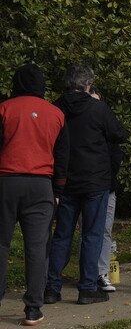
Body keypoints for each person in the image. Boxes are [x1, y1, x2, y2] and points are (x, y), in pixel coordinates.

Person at [46, 63, 127, 306]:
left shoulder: (55, 108)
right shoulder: (98, 108)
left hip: (64, 180)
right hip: (95, 180)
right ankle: (87, 287)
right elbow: (119, 134)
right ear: (88, 84)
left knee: (62, 235)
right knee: (92, 235)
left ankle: (52, 287)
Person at [0, 64, 68, 327]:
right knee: (37, 249)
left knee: (1, 245)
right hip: (41, 185)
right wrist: (58, 190)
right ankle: (32, 309)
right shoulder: (56, 114)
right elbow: (62, 157)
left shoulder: (4, 108)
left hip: (5, 182)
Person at [92, 87, 123, 293]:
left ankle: (100, 273)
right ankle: (90, 271)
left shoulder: (108, 129)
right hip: (82, 186)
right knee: (88, 230)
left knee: (103, 231)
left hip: (106, 186)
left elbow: (117, 155)